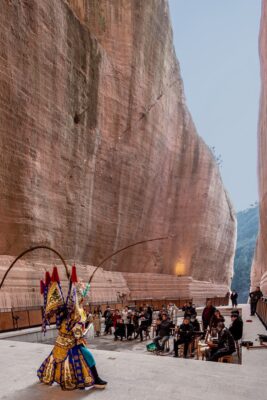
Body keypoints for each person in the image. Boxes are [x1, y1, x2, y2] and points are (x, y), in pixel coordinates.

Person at [37, 266, 107, 390]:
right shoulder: (70, 312)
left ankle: (94, 378)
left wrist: (81, 329)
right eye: (80, 295)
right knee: (61, 358)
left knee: (58, 359)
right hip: (70, 341)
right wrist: (79, 331)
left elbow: (78, 326)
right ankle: (96, 379)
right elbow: (74, 327)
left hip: (72, 340)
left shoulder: (78, 309)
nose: (82, 298)